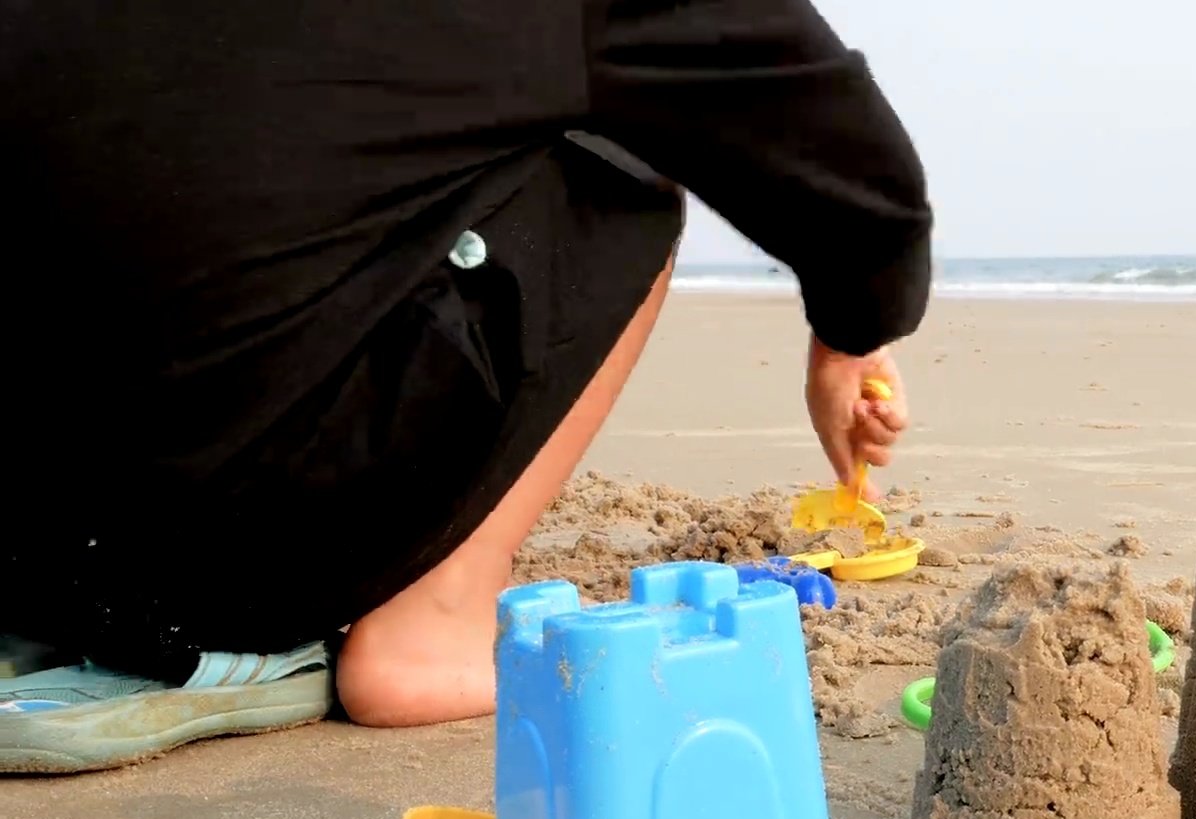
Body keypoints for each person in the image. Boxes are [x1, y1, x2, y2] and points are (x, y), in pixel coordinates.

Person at [0, 0, 932, 773]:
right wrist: (849, 338)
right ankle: (430, 628)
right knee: (622, 175)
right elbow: (830, 143)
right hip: (230, 569)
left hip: (29, 557)